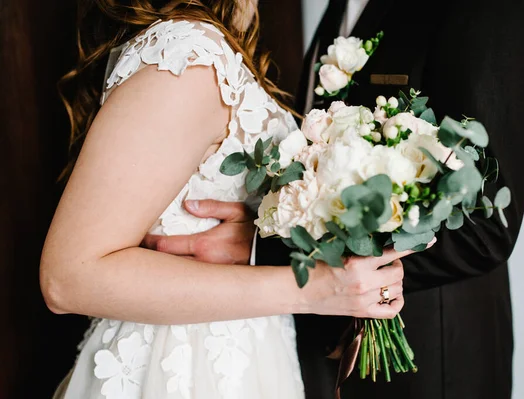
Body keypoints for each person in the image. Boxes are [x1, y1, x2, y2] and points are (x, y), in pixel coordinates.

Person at [154, 0, 524, 398]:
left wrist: (267, 250)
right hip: (319, 340)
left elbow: (484, 227)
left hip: (425, 354)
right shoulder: (342, 8)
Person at [40, 1, 419, 398]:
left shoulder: (213, 46)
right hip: (181, 368)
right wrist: (312, 289)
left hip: (247, 352)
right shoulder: (189, 56)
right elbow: (68, 278)